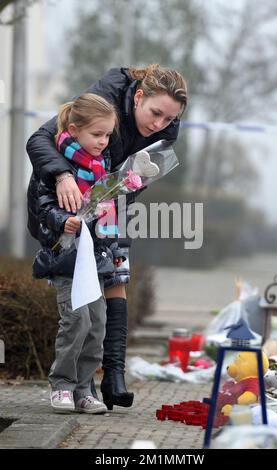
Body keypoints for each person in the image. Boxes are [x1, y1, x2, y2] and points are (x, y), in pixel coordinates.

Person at [27, 64, 188, 411]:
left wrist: (124, 192)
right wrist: (61, 176)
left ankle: (112, 374)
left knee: (117, 272)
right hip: (65, 196)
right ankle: (76, 384)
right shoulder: (105, 99)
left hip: (112, 203)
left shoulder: (167, 130)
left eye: (169, 119)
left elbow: (141, 172)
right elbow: (39, 139)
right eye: (155, 113)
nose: (160, 124)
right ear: (139, 97)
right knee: (82, 307)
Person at [32, 93, 125, 414]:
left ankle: (85, 389)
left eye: (107, 135)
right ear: (74, 129)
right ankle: (62, 385)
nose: (103, 141)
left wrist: (112, 254)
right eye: (96, 134)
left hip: (95, 261)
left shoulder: (103, 167)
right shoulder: (57, 166)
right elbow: (42, 205)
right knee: (76, 322)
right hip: (66, 260)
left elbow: (109, 216)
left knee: (97, 325)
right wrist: (63, 220)